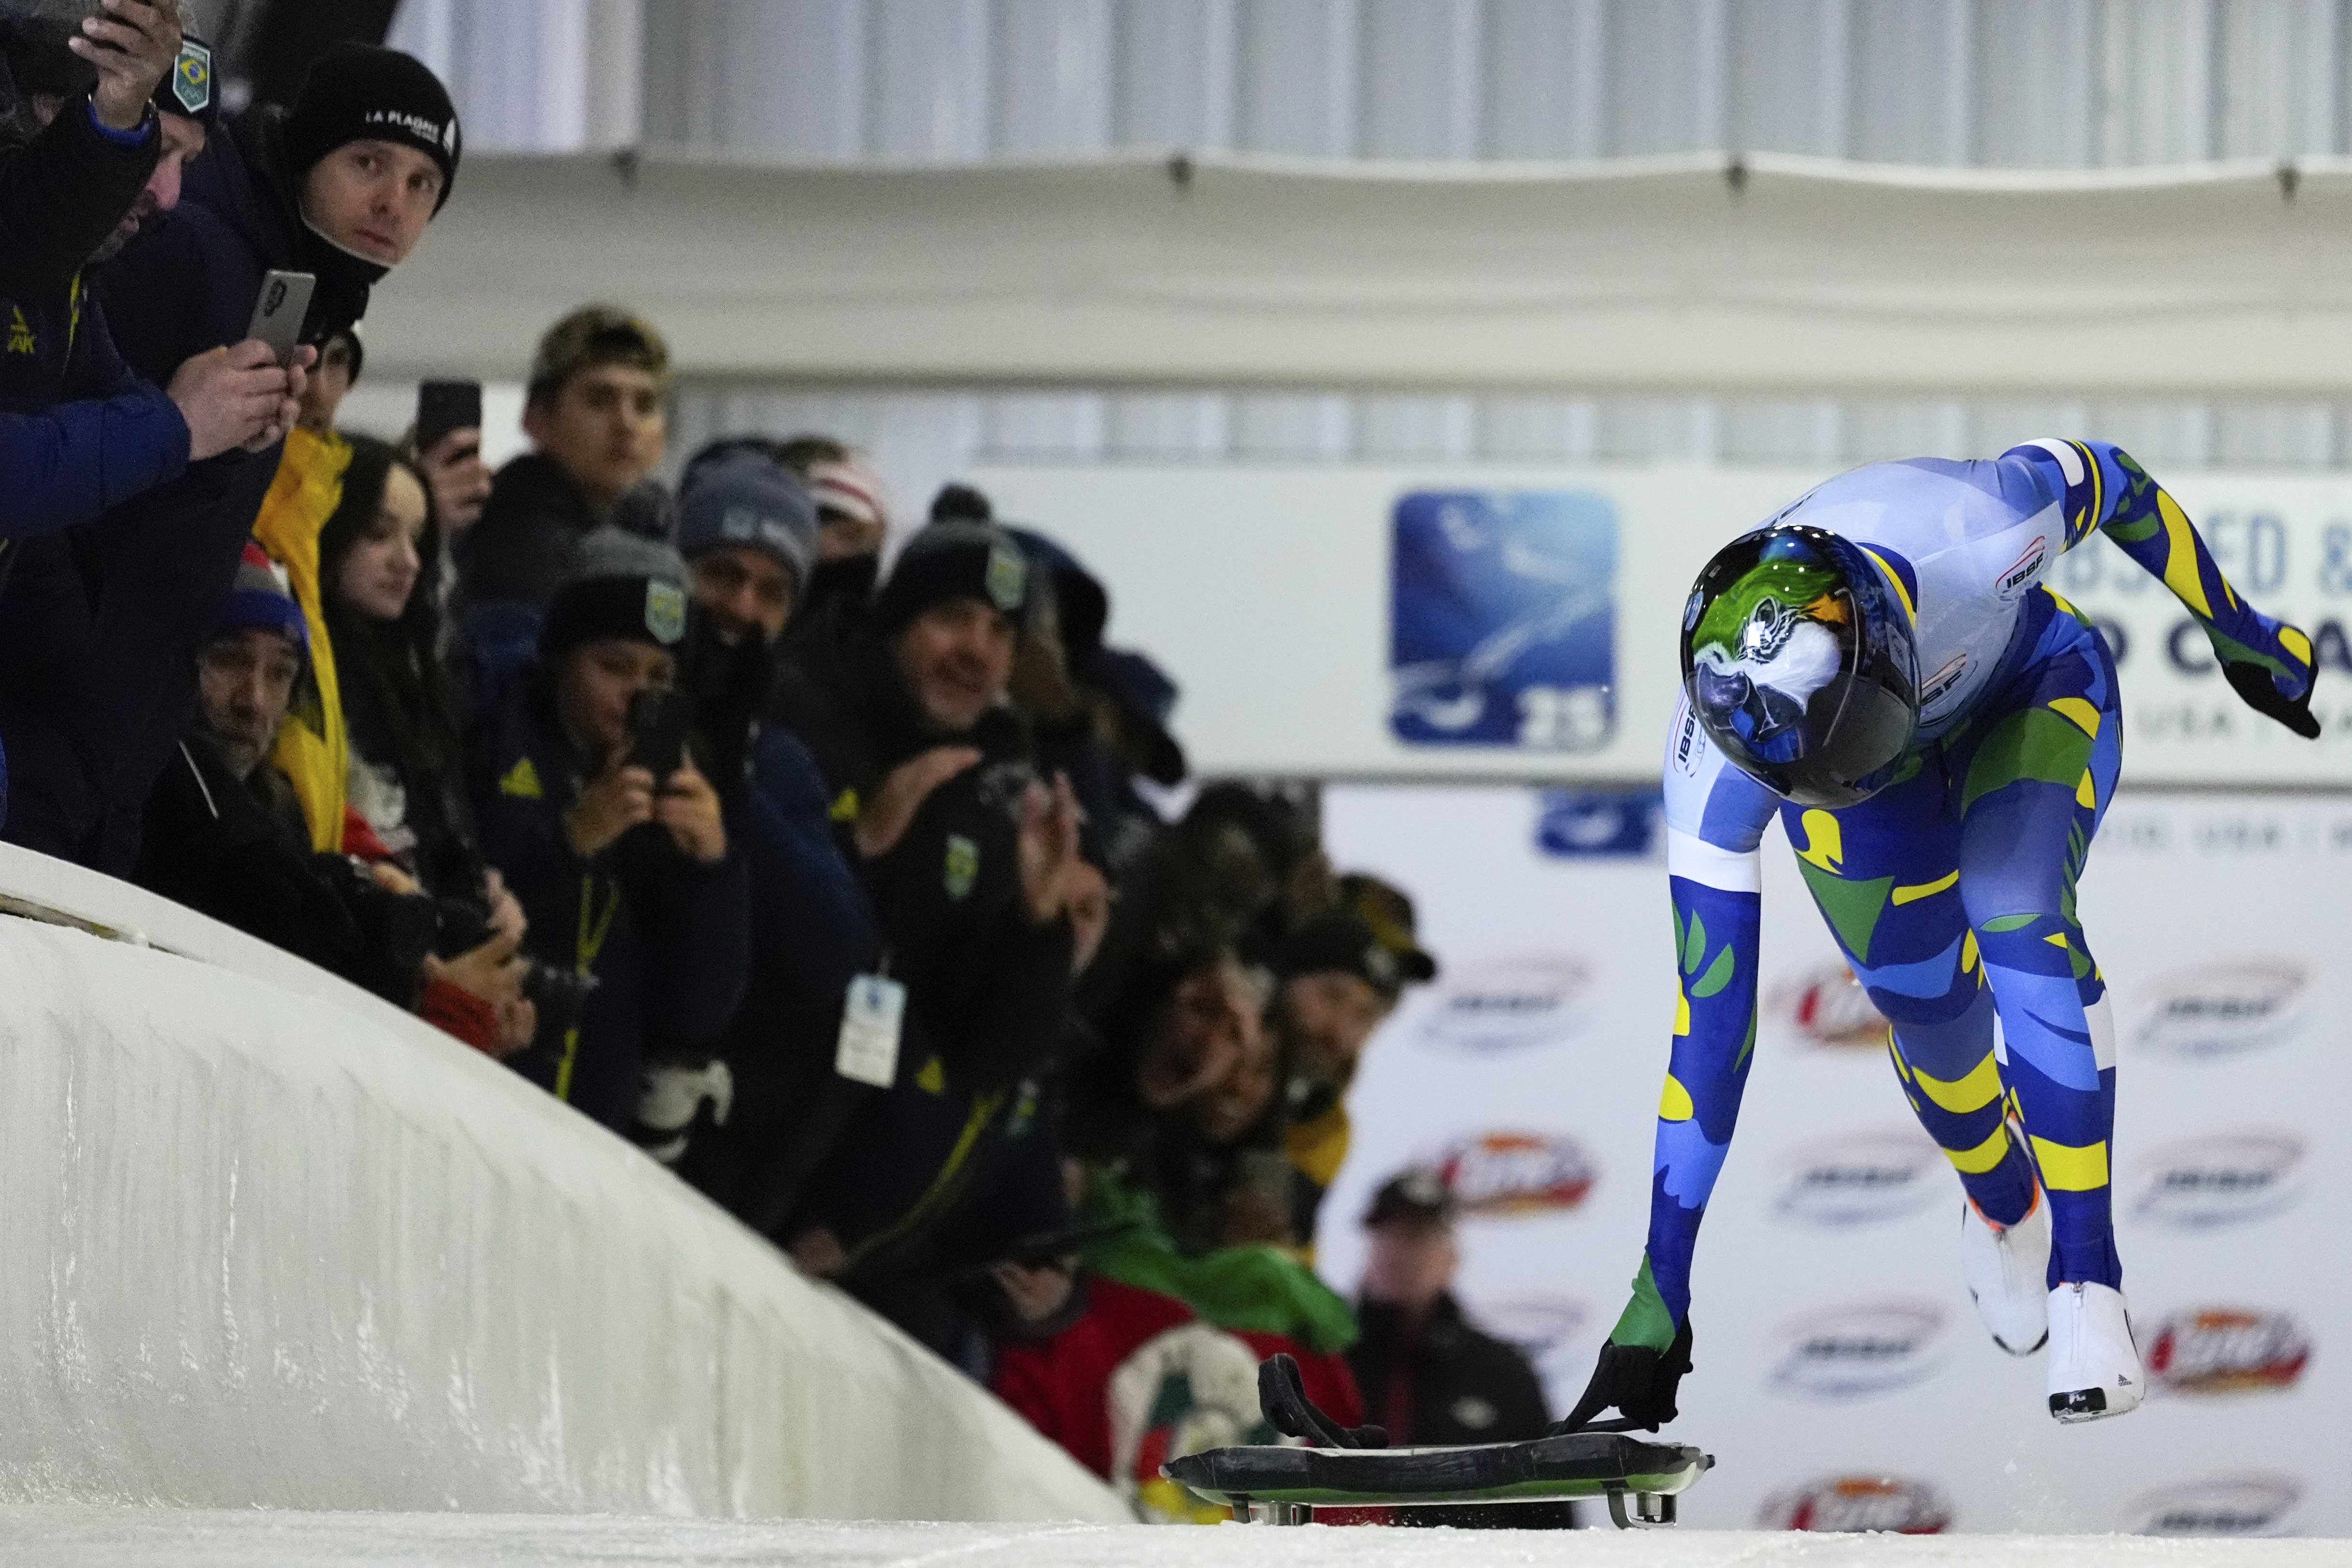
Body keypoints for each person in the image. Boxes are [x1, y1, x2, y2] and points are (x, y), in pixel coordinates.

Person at [1569, 439, 2321, 1434]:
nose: (1855, 767)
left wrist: (2243, 634)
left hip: (2028, 685)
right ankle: (2002, 1200)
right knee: (1933, 1024)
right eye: (1818, 769)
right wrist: (1658, 1288)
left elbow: (2121, 481)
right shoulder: (1711, 771)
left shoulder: (1981, 528)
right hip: (1867, 803)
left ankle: (2086, 1281)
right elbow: (1711, 1027)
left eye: (1857, 744)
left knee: (2016, 914)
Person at [3, 39, 456, 872]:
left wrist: (207, 445)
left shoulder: (274, 276)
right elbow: (54, 469)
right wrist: (72, 649)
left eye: (423, 185)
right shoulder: (186, 245)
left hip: (101, 737)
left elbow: (138, 472)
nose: (394, 202)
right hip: (58, 719)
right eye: (368, 163)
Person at [136, 542, 531, 1053]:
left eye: (279, 673)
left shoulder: (283, 808)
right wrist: (428, 1004)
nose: (253, 701)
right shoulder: (168, 793)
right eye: (228, 659)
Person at [464, 527, 751, 1144]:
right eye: (614, 666)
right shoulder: (494, 741)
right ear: (562, 659)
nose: (637, 695)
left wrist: (713, 871)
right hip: (483, 1101)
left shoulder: (680, 785)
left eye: (661, 675)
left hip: (594, 1133)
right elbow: (464, 914)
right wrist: (570, 840)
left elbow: (697, 1014)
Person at [451, 305, 673, 668]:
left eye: (645, 404)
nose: (626, 423)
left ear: (663, 434)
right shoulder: (509, 539)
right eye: (599, 400)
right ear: (536, 420)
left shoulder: (658, 525)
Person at [1347, 1169, 1568, 1527]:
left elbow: (1551, 1511)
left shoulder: (1501, 1372)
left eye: (1416, 1236)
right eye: (1384, 1233)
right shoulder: (1323, 1360)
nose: (1397, 1250)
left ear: (1451, 1255)